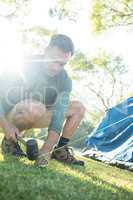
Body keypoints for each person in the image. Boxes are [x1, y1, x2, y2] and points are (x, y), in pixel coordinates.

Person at [0, 34, 86, 167]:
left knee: (78, 108)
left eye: (62, 64)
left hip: (35, 115)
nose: (55, 67)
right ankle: (9, 142)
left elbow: (59, 114)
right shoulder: (22, 64)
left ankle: (59, 150)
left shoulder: (65, 80)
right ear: (46, 51)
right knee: (36, 107)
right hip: (5, 115)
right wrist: (6, 125)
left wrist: (47, 149)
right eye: (53, 59)